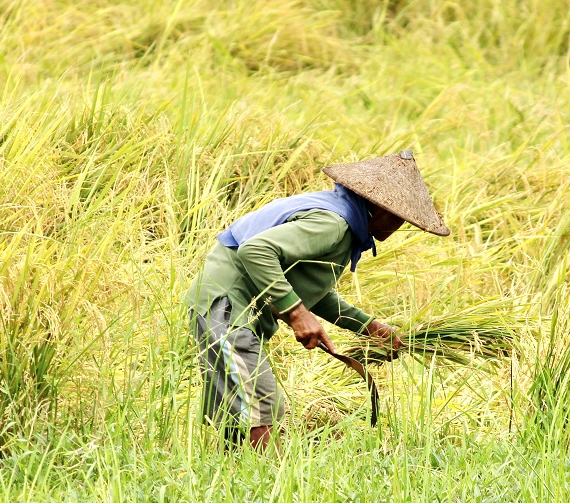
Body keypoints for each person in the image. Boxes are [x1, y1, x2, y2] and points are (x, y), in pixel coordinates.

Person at [185, 150, 450, 448]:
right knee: (261, 402)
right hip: (226, 307)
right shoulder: (332, 224)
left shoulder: (342, 219)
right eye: (400, 218)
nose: (400, 227)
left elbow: (308, 287)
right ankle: (265, 484)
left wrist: (367, 326)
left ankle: (232, 475)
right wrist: (297, 314)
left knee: (241, 402)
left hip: (229, 307)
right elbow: (256, 251)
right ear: (381, 209)